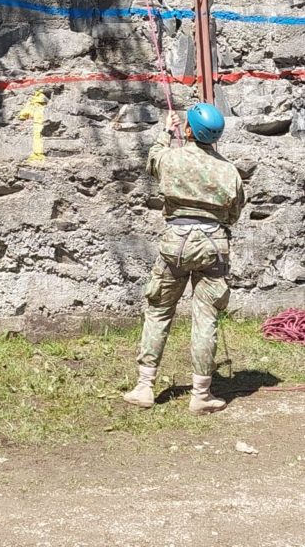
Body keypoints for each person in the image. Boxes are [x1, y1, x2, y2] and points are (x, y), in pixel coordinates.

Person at [124, 102, 245, 414]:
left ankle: (144, 387)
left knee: (159, 310)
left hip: (175, 243)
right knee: (206, 317)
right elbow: (233, 214)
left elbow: (152, 161)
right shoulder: (229, 171)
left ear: (188, 130)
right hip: (214, 245)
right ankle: (201, 394)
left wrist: (167, 132)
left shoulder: (171, 157)